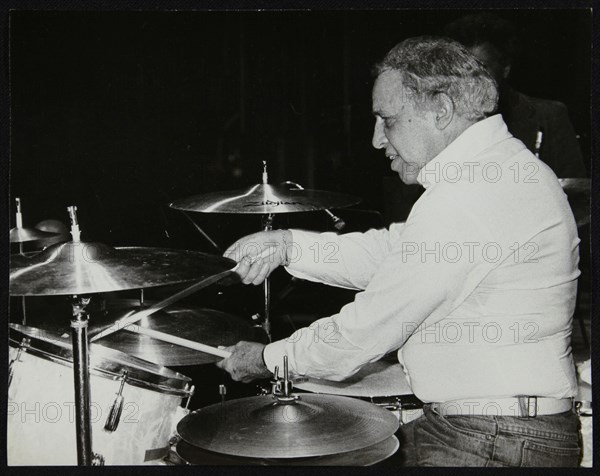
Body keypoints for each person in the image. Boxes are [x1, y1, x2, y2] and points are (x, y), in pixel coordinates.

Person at [216, 36, 581, 467]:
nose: (376, 140)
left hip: (492, 439)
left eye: (387, 120)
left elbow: (370, 326)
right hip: (492, 430)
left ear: (440, 110)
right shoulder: (497, 172)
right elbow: (400, 251)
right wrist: (290, 245)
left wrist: (267, 359)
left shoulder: (473, 193)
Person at [444, 12, 588, 178]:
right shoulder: (445, 120)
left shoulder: (549, 117)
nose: (470, 78)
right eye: (462, 68)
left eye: (481, 67)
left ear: (505, 69)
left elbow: (574, 190)